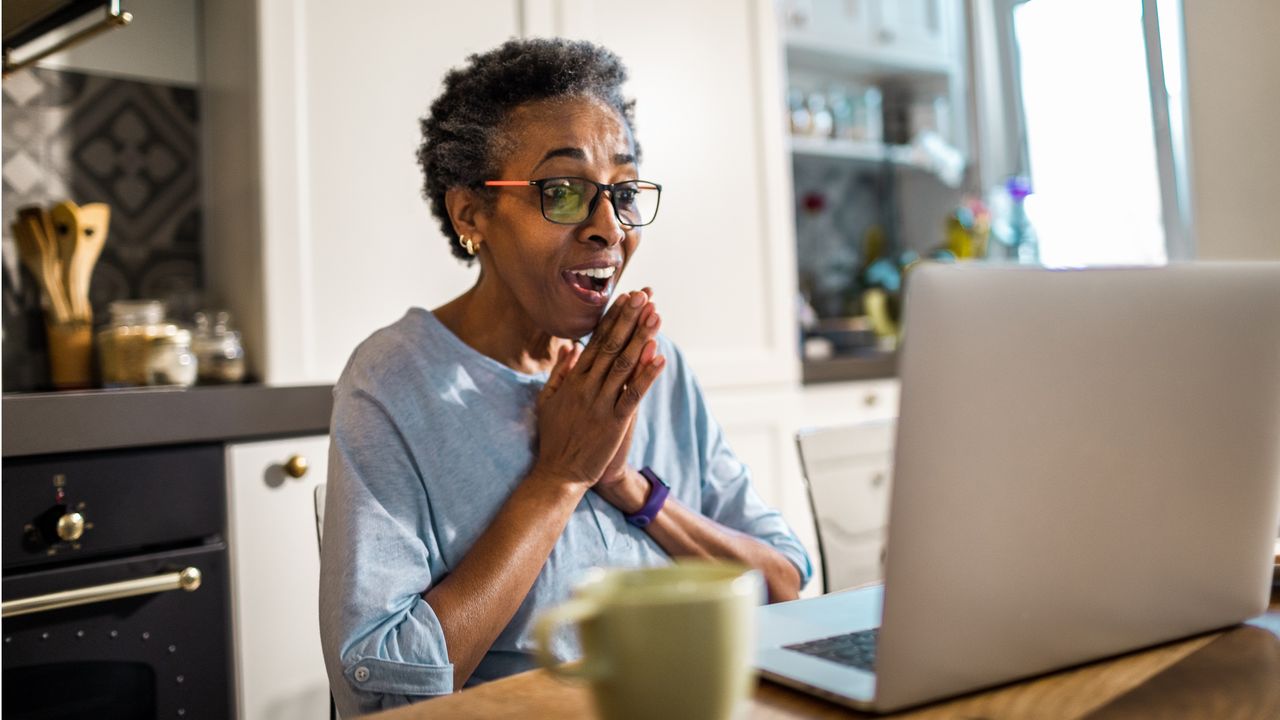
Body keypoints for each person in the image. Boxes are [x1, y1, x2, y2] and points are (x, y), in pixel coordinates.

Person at [319, 37, 812, 717]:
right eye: (563, 191)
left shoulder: (646, 359)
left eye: (624, 192)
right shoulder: (395, 381)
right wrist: (561, 477)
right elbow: (381, 688)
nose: (609, 227)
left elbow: (785, 586)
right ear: (471, 215)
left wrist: (630, 488)